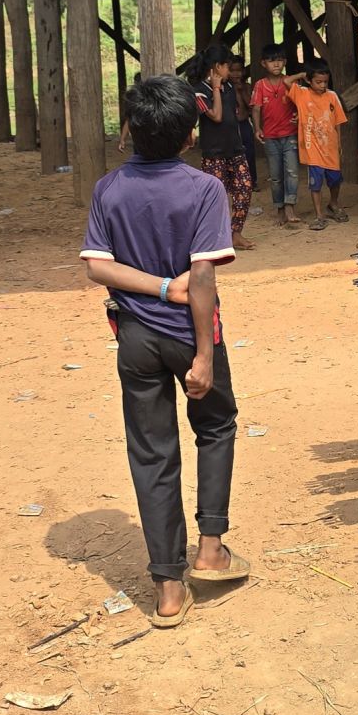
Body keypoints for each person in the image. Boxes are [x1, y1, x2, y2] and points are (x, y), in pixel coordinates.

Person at [81, 75, 249, 628]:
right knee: (216, 425)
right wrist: (203, 355)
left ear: (130, 127)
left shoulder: (109, 189)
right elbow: (201, 279)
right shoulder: (204, 189)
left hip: (134, 337)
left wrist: (152, 289)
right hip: (190, 334)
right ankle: (211, 549)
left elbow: (97, 266)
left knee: (152, 453)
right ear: (190, 134)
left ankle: (168, 589)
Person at [188, 43, 254, 251]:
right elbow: (216, 116)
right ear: (217, 67)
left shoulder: (230, 88)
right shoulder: (199, 92)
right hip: (214, 153)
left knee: (244, 189)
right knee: (216, 196)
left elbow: (234, 114)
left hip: (235, 149)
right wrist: (216, 88)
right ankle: (216, 237)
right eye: (227, 67)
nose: (230, 72)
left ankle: (235, 234)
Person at [287, 64, 349, 230]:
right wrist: (302, 74)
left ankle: (333, 204)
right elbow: (286, 81)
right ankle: (319, 215)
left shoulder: (332, 96)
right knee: (315, 183)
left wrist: (339, 143)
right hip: (312, 148)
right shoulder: (302, 93)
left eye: (325, 82)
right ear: (309, 81)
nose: (322, 85)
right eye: (318, 82)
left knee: (335, 180)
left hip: (330, 147)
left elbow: (338, 121)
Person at [250, 45, 306, 227]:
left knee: (292, 172)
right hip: (270, 136)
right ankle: (279, 208)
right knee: (275, 176)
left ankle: (289, 206)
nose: (276, 64)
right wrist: (257, 128)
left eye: (280, 60)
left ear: (285, 62)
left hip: (289, 134)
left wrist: (298, 115)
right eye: (271, 61)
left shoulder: (289, 83)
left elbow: (300, 104)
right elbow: (256, 108)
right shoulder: (260, 85)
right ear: (263, 63)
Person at [228, 54, 258, 188]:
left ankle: (252, 181)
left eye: (238, 70)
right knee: (232, 154)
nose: (236, 74)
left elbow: (251, 106)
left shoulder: (246, 87)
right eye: (232, 70)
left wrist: (241, 91)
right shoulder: (225, 88)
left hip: (244, 123)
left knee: (249, 153)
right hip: (231, 126)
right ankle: (234, 181)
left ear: (244, 71)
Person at [118, 72, 143, 153]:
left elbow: (129, 120)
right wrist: (122, 139)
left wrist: (122, 139)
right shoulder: (135, 99)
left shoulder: (134, 98)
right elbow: (129, 120)